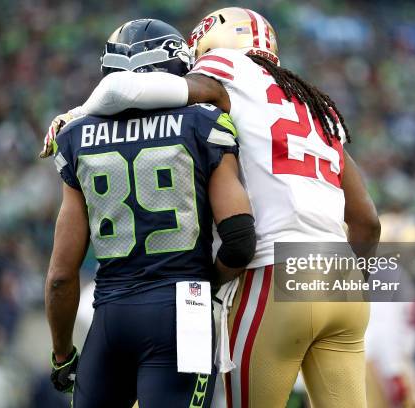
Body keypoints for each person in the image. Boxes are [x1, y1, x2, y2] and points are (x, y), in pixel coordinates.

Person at [43, 8, 380, 407]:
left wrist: (76, 116)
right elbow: (368, 223)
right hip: (340, 277)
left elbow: (126, 92)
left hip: (271, 270)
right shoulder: (311, 104)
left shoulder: (226, 69)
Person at [44, 19, 256, 408]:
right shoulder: (203, 124)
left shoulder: (74, 136)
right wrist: (206, 284)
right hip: (184, 306)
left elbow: (60, 276)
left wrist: (62, 356)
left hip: (110, 315)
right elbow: (240, 240)